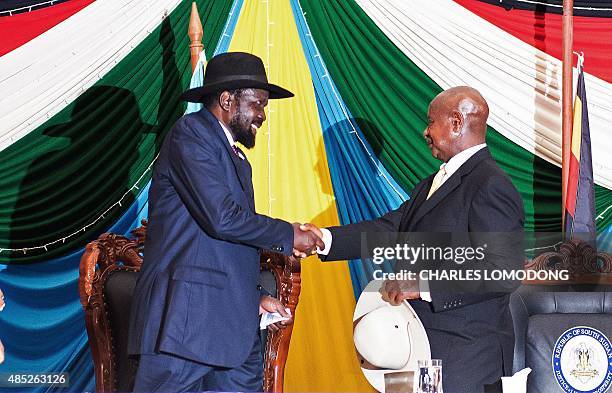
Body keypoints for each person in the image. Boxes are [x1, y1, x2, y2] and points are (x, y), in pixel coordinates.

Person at [303, 86, 524, 393]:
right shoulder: (432, 183)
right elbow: (390, 232)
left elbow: (504, 269)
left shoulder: (490, 184)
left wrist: (423, 285)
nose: (424, 131)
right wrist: (322, 239)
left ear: (457, 123)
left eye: (431, 121)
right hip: (418, 351)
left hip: (464, 358)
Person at [127, 52, 323, 392]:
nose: (263, 115)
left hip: (233, 325)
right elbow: (222, 218)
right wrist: (288, 234)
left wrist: (254, 295)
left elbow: (227, 243)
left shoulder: (235, 156)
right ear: (226, 100)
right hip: (184, 328)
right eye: (258, 104)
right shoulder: (191, 134)